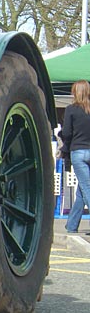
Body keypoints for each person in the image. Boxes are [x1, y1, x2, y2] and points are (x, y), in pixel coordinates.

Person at [61, 80, 90, 234]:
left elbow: (66, 133)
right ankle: (71, 225)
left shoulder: (71, 109)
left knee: (87, 188)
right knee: (82, 191)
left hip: (78, 152)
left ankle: (72, 225)